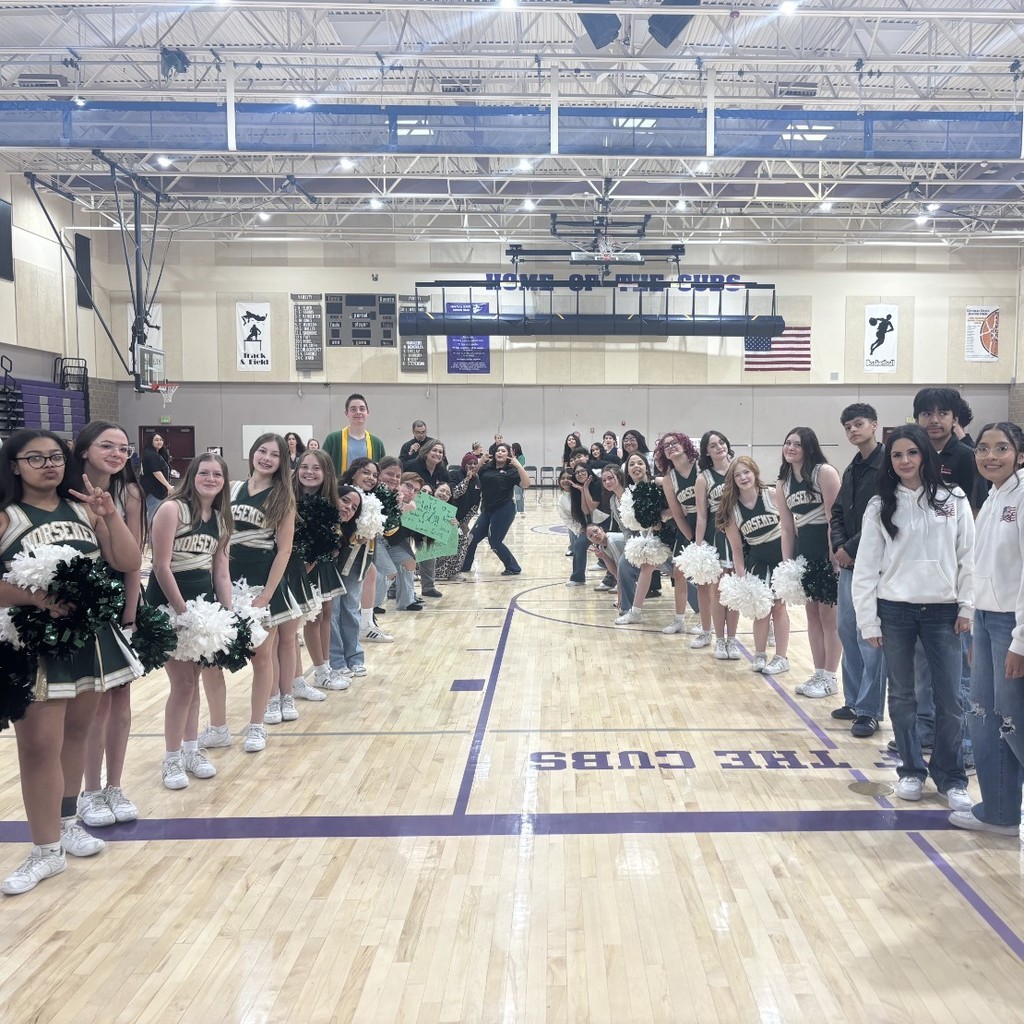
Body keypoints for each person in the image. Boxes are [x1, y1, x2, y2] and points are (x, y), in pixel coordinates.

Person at [0, 429, 143, 895]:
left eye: (55, 457)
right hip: (32, 641)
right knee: (39, 745)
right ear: (15, 464)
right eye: (35, 458)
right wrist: (37, 599)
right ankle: (43, 850)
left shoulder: (85, 507)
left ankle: (64, 825)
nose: (48, 465)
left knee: (76, 735)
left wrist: (109, 517)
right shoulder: (6, 516)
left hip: (88, 637)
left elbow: (126, 560)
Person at [852, 424, 974, 809]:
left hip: (943, 612)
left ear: (925, 455)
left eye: (912, 453)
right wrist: (868, 621)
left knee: (951, 699)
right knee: (902, 697)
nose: (905, 461)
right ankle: (910, 771)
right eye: (897, 455)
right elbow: (866, 568)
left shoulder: (953, 498)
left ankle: (951, 777)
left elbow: (967, 557)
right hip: (895, 611)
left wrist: (967, 605)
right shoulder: (879, 506)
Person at [950, 423, 1024, 836]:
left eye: (1001, 448)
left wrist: (1020, 641)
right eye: (983, 448)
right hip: (986, 620)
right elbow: (983, 568)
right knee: (984, 718)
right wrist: (976, 622)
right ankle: (999, 812)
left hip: (1013, 624)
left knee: (1015, 721)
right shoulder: (995, 496)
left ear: (1020, 454)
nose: (990, 456)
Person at [72, 421, 145, 827]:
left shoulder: (129, 491)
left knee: (120, 698)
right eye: (107, 446)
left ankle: (114, 786)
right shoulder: (63, 491)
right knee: (93, 701)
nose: (117, 454)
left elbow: (133, 559)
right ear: (84, 449)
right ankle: (89, 790)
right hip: (81, 600)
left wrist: (131, 614)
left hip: (121, 597)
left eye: (123, 448)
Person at [147, 454, 233, 790]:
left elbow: (221, 572)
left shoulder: (221, 518)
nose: (210, 478)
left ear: (224, 481)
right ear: (191, 475)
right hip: (169, 604)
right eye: (204, 472)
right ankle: (171, 759)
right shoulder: (172, 509)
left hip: (202, 604)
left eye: (217, 474)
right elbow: (160, 566)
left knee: (192, 682)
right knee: (182, 684)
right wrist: (182, 612)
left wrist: (228, 615)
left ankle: (191, 750)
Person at [221, 433, 303, 753]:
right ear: (253, 453)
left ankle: (259, 722)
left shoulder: (283, 497)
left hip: (262, 579)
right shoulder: (234, 489)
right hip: (229, 578)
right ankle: (219, 725)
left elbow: (283, 551)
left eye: (275, 455)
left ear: (283, 462)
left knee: (262, 653)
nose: (266, 458)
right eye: (262, 451)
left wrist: (267, 594)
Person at [830, 404, 887, 738]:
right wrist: (840, 546)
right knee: (847, 631)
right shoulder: (852, 467)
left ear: (875, 425)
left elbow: (880, 517)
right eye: (848, 426)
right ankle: (852, 700)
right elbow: (838, 510)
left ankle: (869, 710)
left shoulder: (886, 468)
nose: (853, 430)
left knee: (870, 638)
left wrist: (850, 549)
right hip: (849, 564)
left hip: (873, 566)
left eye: (859, 424)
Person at [777, 426, 842, 698]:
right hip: (804, 552)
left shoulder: (824, 473)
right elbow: (787, 528)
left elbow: (833, 519)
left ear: (809, 448)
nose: (791, 448)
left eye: (798, 444)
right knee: (812, 615)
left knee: (829, 617)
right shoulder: (783, 482)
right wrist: (788, 565)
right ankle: (818, 672)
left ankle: (831, 676)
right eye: (788, 443)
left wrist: (833, 559)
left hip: (826, 551)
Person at [718, 456, 791, 675]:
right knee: (761, 611)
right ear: (732, 479)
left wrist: (789, 563)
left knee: (779, 608)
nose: (743, 477)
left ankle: (781, 657)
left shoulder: (771, 495)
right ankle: (759, 655)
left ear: (755, 472)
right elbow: (737, 548)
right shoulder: (732, 509)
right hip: (757, 563)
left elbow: (790, 529)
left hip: (780, 560)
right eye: (737, 475)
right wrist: (741, 578)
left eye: (746, 472)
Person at [294, 448, 349, 694]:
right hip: (303, 565)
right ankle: (317, 671)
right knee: (312, 618)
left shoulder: (331, 500)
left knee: (326, 612)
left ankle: (324, 667)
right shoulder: (290, 499)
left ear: (327, 473)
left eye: (317, 468)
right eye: (305, 467)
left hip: (324, 563)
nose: (309, 472)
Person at [694, 430, 739, 658]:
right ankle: (719, 640)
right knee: (718, 591)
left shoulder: (740, 468)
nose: (719, 447)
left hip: (742, 535)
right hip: (717, 536)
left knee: (736, 590)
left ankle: (732, 639)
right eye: (713, 445)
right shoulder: (704, 478)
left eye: (722, 442)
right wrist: (699, 546)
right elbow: (702, 516)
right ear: (707, 452)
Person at [655, 431, 701, 636]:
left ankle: (707, 620)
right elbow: (677, 513)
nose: (671, 447)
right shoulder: (669, 479)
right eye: (666, 446)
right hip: (687, 525)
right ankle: (680, 620)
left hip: (709, 521)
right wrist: (690, 536)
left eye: (674, 443)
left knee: (707, 575)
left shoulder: (701, 468)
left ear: (685, 444)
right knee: (679, 572)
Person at [461, 443, 530, 576]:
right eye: (498, 450)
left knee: (495, 542)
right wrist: (481, 460)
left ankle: (513, 567)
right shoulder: (487, 468)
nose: (500, 453)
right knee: (471, 539)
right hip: (487, 509)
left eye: (503, 451)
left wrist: (518, 465)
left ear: (508, 455)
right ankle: (464, 567)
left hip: (504, 509)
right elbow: (473, 474)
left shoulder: (511, 471)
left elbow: (526, 484)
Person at [330, 485, 373, 677]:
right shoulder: (325, 520)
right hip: (324, 572)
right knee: (332, 612)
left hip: (351, 566)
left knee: (350, 608)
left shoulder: (351, 527)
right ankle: (336, 660)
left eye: (354, 507)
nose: (348, 507)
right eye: (345, 501)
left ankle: (354, 658)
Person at [403, 438, 451, 598]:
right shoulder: (412, 466)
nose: (437, 454)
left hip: (428, 518)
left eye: (440, 452)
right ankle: (395, 588)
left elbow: (446, 494)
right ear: (426, 451)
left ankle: (428, 587)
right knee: (403, 550)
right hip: (408, 511)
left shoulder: (443, 471)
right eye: (435, 450)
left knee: (429, 550)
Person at [140, 433, 172, 524]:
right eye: (156, 440)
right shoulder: (151, 455)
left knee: (157, 514)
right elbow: (156, 472)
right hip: (153, 491)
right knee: (153, 514)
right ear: (151, 441)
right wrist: (168, 486)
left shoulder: (158, 454)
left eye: (161, 440)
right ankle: (152, 536)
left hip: (159, 490)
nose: (159, 442)